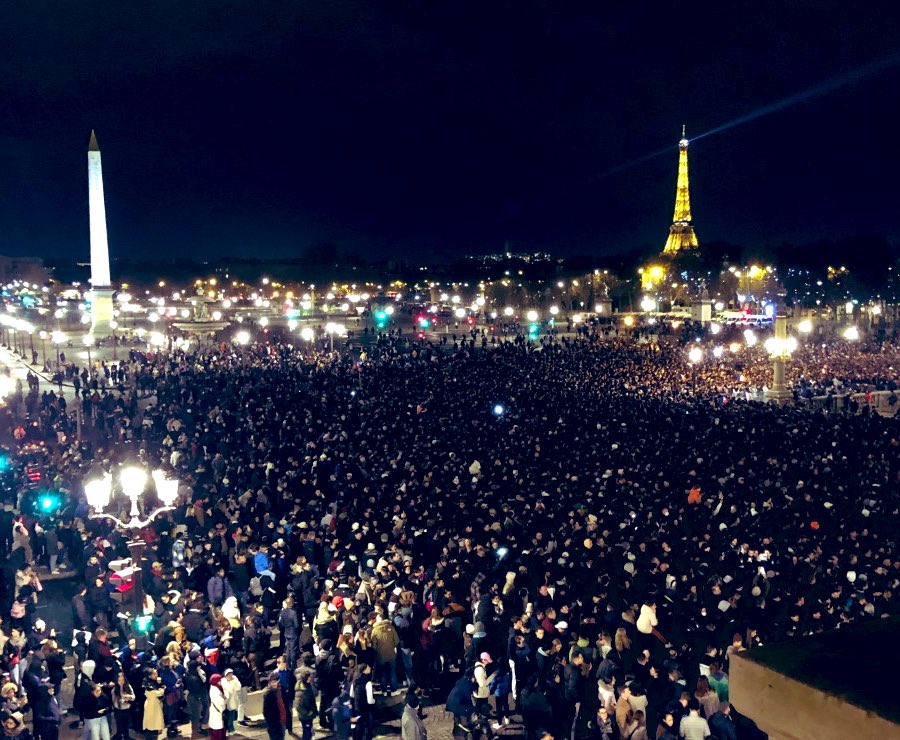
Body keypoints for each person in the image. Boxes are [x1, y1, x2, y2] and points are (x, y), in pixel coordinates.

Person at [262, 673, 287, 740]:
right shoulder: (268, 693)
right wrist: (272, 725)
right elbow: (266, 712)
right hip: (274, 724)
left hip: (282, 721)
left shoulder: (281, 689)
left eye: (275, 681)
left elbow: (285, 705)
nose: (274, 683)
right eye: (272, 682)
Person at [143, 669, 166, 740]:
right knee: (151, 722)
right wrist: (161, 686)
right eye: (154, 674)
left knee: (155, 722)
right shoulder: (148, 684)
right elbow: (159, 693)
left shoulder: (154, 682)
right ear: (149, 676)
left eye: (156, 673)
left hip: (155, 704)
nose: (156, 675)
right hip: (151, 705)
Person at [111, 672, 136, 740]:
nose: (121, 682)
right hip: (118, 710)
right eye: (119, 680)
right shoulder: (114, 689)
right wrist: (120, 701)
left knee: (126, 726)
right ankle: (118, 737)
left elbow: (134, 697)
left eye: (123, 680)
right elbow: (114, 701)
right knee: (119, 727)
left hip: (127, 709)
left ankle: (126, 737)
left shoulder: (128, 686)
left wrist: (129, 697)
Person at [294, 672, 317, 740]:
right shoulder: (301, 690)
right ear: (306, 678)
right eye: (310, 677)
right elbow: (297, 706)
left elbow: (315, 694)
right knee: (306, 733)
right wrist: (307, 713)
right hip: (305, 717)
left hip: (309, 715)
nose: (312, 678)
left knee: (309, 731)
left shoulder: (308, 686)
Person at [221, 669, 243, 734]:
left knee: (232, 715)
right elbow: (229, 689)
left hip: (233, 700)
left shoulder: (234, 679)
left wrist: (233, 681)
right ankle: (228, 729)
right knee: (227, 716)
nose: (231, 675)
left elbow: (238, 687)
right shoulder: (223, 681)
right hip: (225, 701)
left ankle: (231, 729)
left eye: (231, 674)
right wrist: (232, 683)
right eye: (229, 674)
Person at [207, 675, 226, 740]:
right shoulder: (215, 690)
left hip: (215, 710)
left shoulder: (215, 688)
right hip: (217, 711)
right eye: (219, 681)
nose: (221, 682)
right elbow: (220, 702)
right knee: (217, 728)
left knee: (216, 726)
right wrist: (224, 700)